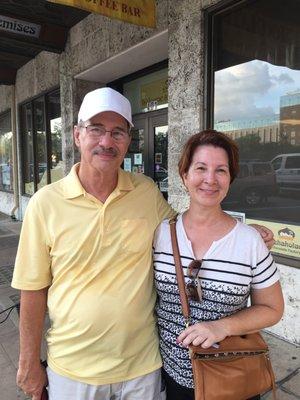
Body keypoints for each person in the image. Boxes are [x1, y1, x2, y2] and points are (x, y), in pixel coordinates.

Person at [12, 89, 275, 400]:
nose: (106, 142)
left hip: (142, 368)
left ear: (128, 140)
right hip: (72, 369)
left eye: (117, 132)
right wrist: (28, 362)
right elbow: (32, 288)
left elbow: (191, 222)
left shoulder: (146, 192)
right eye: (96, 129)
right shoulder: (45, 203)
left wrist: (242, 230)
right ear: (77, 135)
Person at [153, 130, 284, 400]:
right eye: (201, 168)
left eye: (221, 170)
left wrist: (220, 327)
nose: (210, 179)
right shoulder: (161, 234)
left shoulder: (249, 241)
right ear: (184, 175)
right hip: (172, 377)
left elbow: (272, 309)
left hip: (232, 377)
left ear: (230, 179)